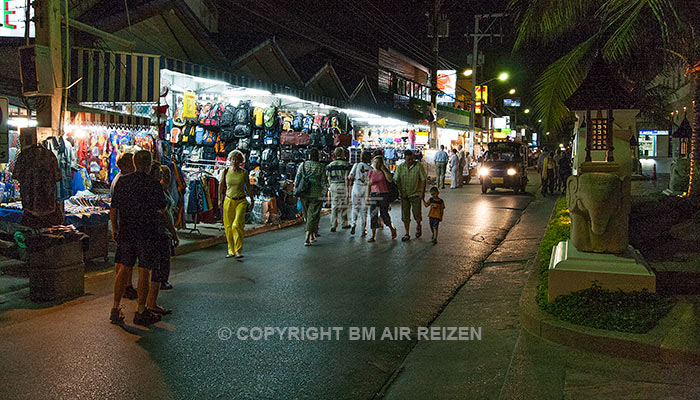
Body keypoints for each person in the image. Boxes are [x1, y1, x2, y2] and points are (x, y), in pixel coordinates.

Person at [110, 150, 167, 326]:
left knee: (124, 269)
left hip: (127, 230)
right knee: (144, 270)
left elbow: (114, 208)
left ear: (134, 163)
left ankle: (115, 307)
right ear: (149, 164)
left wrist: (115, 227)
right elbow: (161, 208)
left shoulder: (123, 182)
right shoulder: (153, 184)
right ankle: (141, 310)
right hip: (147, 232)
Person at [143, 163, 179, 316]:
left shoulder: (144, 188)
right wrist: (173, 232)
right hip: (158, 232)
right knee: (157, 267)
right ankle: (151, 304)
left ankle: (144, 304)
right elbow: (163, 214)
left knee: (149, 268)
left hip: (149, 232)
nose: (163, 176)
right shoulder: (155, 189)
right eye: (159, 172)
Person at [109, 152, 138, 300]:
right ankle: (125, 286)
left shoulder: (119, 179)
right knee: (125, 260)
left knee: (122, 258)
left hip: (122, 224)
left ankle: (125, 285)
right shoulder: (122, 181)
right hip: (124, 224)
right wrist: (115, 226)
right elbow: (114, 208)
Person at [219, 150, 254, 258]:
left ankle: (238, 250)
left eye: (236, 160)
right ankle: (231, 250)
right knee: (228, 226)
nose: (234, 162)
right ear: (230, 160)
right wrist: (219, 200)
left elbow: (248, 187)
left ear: (240, 161)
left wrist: (252, 200)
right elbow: (221, 185)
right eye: (233, 159)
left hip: (241, 201)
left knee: (237, 224)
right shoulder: (225, 171)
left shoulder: (244, 173)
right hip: (228, 200)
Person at [295, 148, 327, 246]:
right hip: (316, 194)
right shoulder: (321, 167)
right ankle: (307, 237)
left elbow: (297, 179)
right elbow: (323, 183)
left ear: (309, 156)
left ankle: (312, 235)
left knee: (308, 215)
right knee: (313, 215)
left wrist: (296, 192)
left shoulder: (303, 165)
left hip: (304, 193)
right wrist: (324, 194)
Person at [394, 150, 427, 241]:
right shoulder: (400, 167)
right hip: (404, 195)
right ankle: (407, 233)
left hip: (415, 194)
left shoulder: (418, 166)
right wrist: (399, 191)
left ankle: (418, 224)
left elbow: (423, 179)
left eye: (412, 159)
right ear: (405, 158)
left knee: (417, 214)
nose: (411, 161)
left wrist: (422, 192)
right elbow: (396, 179)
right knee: (405, 216)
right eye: (408, 159)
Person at [367, 152, 397, 242]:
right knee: (373, 215)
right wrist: (367, 196)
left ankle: (392, 228)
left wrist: (384, 169)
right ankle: (373, 235)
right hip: (374, 195)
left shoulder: (384, 172)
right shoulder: (370, 172)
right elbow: (368, 185)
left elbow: (390, 179)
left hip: (384, 195)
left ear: (381, 163)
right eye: (375, 162)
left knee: (384, 214)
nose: (376, 164)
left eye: (378, 162)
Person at [158, 165, 177, 291]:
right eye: (168, 176)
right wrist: (173, 231)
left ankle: (162, 280)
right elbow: (164, 214)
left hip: (165, 228)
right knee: (163, 258)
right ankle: (161, 281)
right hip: (162, 228)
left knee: (165, 256)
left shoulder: (165, 190)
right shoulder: (159, 191)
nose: (169, 178)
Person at [326, 147, 351, 232]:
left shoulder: (330, 165)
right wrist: (348, 190)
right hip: (342, 185)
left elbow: (328, 178)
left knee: (334, 206)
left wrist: (331, 186)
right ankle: (345, 223)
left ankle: (333, 225)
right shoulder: (346, 165)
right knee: (344, 205)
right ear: (342, 154)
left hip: (333, 185)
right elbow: (346, 178)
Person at [348, 150, 372, 236]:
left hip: (356, 187)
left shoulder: (356, 165)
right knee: (364, 210)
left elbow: (350, 176)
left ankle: (353, 224)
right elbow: (371, 181)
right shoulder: (370, 168)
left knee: (355, 208)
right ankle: (363, 230)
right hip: (365, 188)